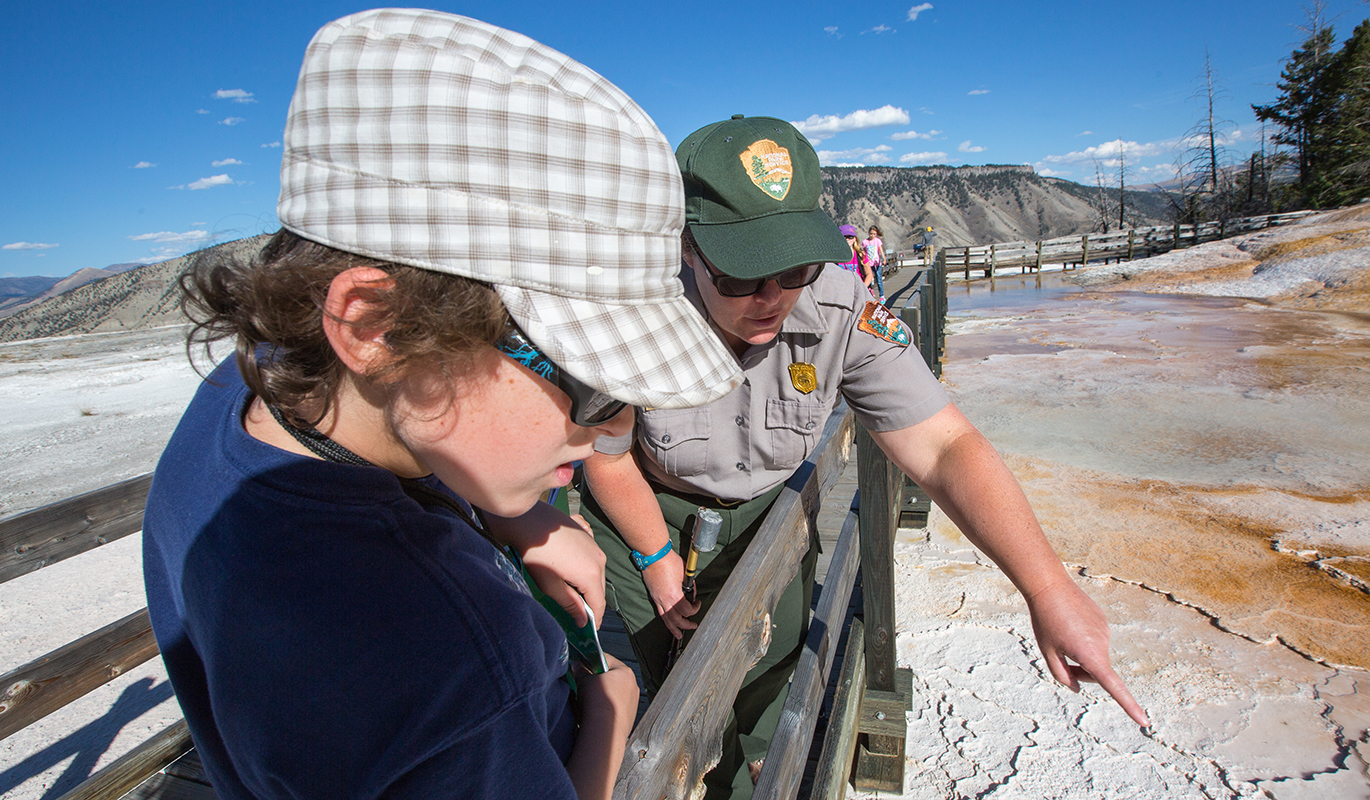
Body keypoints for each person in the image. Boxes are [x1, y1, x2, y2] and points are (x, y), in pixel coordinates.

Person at [141, 11, 742, 800]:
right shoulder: (434, 656)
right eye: (593, 384)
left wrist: (517, 518)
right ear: (375, 327)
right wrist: (608, 710)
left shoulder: (255, 386)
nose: (612, 436)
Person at [579, 115, 1149, 799]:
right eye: (741, 275)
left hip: (768, 511)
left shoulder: (840, 303)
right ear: (688, 248)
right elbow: (606, 459)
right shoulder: (629, 310)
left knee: (772, 663)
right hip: (645, 506)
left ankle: (757, 771)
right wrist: (653, 558)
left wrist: (1048, 588)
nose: (773, 298)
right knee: (670, 682)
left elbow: (943, 444)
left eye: (794, 266)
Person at [838, 223, 876, 296]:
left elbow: (869, 274)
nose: (847, 239)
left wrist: (862, 289)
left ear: (855, 238)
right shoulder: (835, 257)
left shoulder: (861, 255)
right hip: (841, 293)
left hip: (859, 292)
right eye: (844, 237)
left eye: (850, 237)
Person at [862, 225, 887, 302]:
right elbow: (864, 252)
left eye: (874, 234)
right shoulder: (865, 242)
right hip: (869, 264)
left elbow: (881, 251)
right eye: (871, 233)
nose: (872, 235)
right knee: (869, 280)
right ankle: (870, 293)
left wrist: (884, 259)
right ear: (868, 233)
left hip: (877, 263)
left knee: (879, 279)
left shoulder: (877, 241)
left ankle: (882, 295)